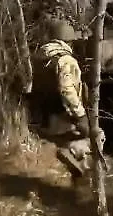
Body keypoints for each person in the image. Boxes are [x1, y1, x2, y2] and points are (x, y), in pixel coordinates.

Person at [33, 20, 95, 179]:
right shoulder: (65, 60)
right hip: (64, 112)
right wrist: (80, 115)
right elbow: (67, 89)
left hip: (46, 113)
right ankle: (80, 166)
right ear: (68, 40)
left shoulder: (41, 57)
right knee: (95, 137)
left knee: (65, 139)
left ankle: (75, 171)